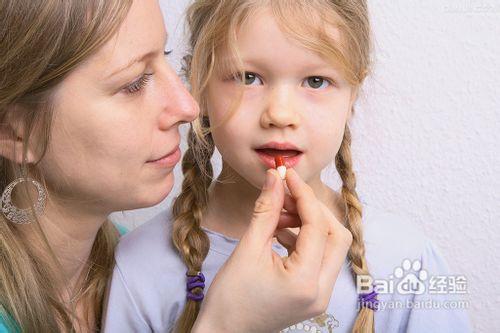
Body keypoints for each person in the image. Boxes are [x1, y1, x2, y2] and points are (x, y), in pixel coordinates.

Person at [103, 0, 473, 332]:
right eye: (249, 77)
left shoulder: (407, 261)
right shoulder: (141, 266)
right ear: (198, 82)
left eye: (316, 81)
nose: (280, 113)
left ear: (352, 95)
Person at [0, 0, 351, 332]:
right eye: (133, 83)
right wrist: (226, 324)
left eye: (165, 57)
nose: (188, 106)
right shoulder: (144, 269)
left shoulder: (131, 260)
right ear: (17, 133)